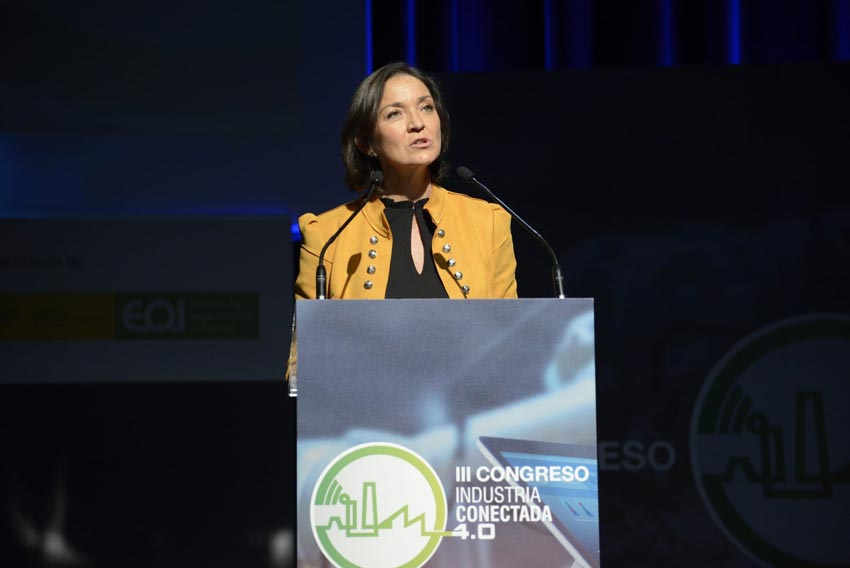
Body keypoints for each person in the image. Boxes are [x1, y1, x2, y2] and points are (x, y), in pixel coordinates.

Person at [293, 61, 518, 301]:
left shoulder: (488, 223)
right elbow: (311, 327)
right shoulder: (327, 236)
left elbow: (509, 324)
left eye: (426, 107)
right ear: (366, 143)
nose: (418, 124)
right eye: (395, 114)